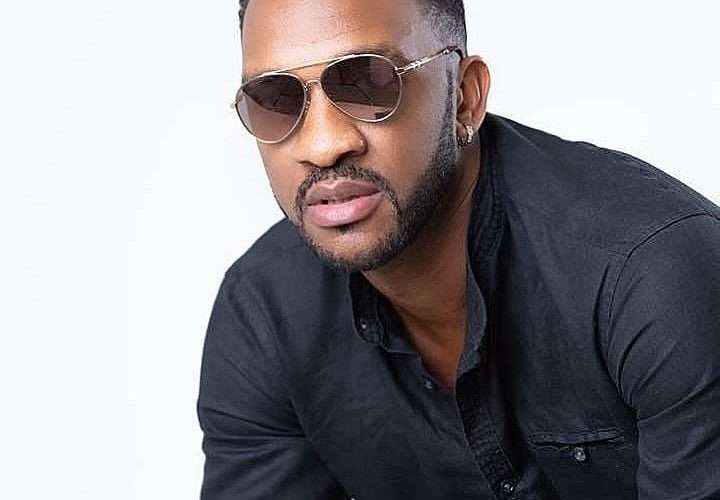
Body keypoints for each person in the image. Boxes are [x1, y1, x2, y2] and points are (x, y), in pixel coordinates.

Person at [196, 0, 720, 498]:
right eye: (277, 100)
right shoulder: (265, 313)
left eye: (369, 83)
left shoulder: (649, 275)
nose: (322, 145)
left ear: (464, 97)